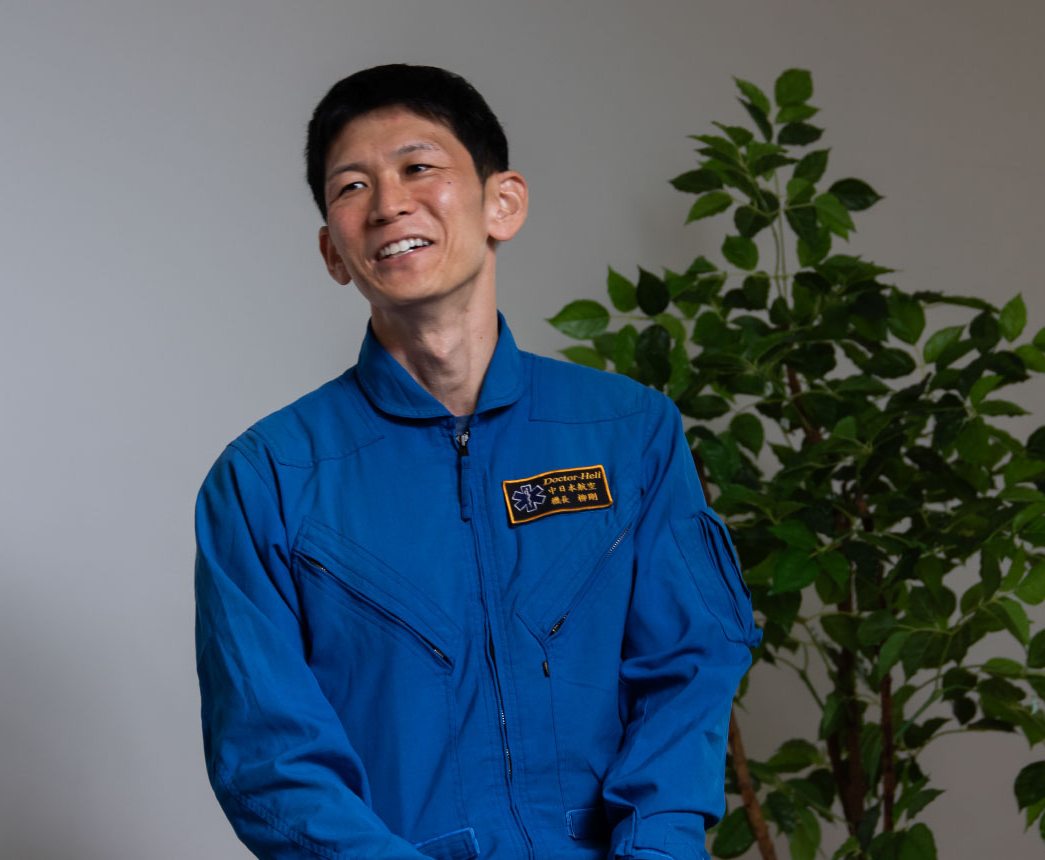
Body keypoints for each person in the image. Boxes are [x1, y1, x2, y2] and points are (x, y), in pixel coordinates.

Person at [194, 64, 760, 860]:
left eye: (418, 167)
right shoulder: (266, 481)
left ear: (504, 203)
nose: (388, 204)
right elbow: (270, 762)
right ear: (333, 250)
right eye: (352, 186)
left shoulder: (629, 432)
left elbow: (687, 669)